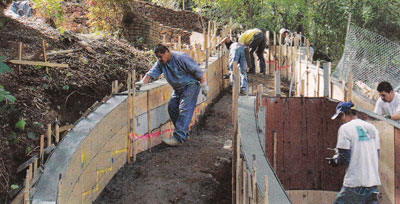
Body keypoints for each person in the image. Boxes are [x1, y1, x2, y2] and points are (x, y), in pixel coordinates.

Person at [136, 44, 208, 146]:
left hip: (190, 86)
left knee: (184, 109)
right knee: (172, 108)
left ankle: (178, 138)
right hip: (178, 88)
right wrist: (142, 82)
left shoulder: (181, 58)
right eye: (158, 57)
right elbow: (152, 73)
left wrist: (204, 84)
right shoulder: (161, 63)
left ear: (167, 52)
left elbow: (196, 70)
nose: (160, 59)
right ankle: (183, 133)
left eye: (161, 56)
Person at [329, 101, 381, 204]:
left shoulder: (345, 129)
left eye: (340, 117)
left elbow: (344, 158)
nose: (342, 120)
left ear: (343, 114)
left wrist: (334, 161)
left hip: (354, 184)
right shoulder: (372, 128)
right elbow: (377, 154)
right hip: (372, 184)